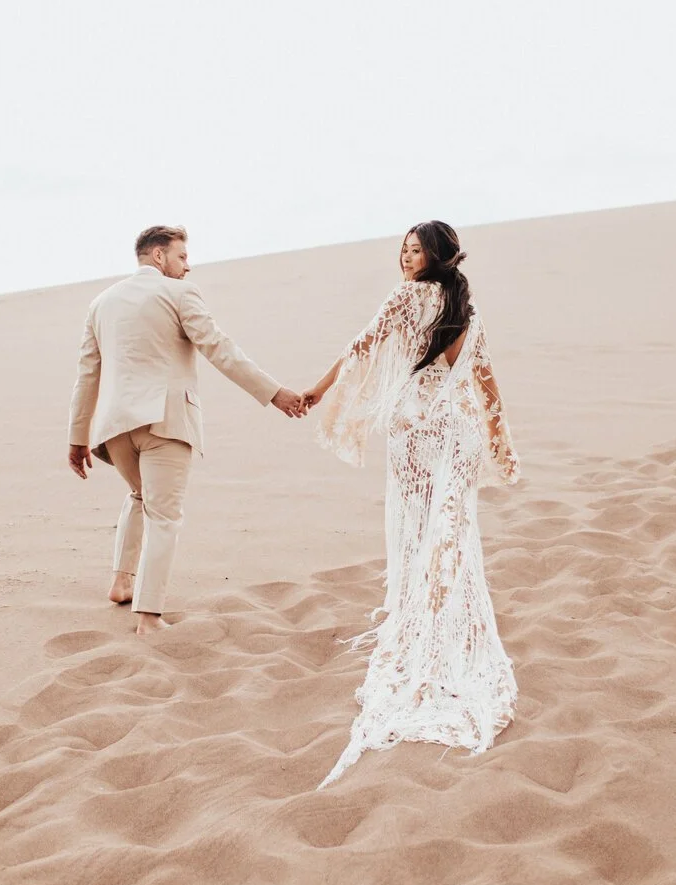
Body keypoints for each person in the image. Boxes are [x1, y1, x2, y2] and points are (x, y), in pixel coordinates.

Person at [302, 220, 521, 788]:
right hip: (460, 429)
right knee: (451, 531)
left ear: (438, 255)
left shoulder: (407, 297)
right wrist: (500, 442)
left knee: (420, 527)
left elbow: (362, 346)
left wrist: (317, 392)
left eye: (415, 249)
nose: (405, 257)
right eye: (402, 249)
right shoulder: (463, 305)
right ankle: (443, 622)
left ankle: (422, 629)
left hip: (418, 428)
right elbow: (484, 378)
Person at [68, 224, 304, 633]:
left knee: (141, 496)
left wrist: (77, 438)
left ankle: (121, 582)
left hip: (114, 427)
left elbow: (87, 374)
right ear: (158, 256)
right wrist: (274, 393)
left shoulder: (101, 303)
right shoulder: (178, 294)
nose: (187, 267)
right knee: (165, 516)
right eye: (181, 257)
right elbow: (220, 349)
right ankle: (149, 617)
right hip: (165, 421)